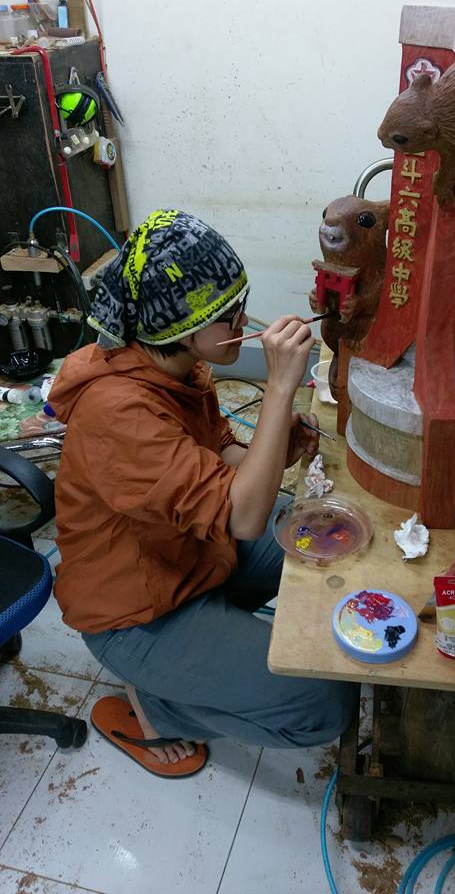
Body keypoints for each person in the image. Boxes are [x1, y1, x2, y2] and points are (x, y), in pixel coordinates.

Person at [50, 209, 357, 777]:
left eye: (241, 304)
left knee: (319, 532)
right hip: (136, 611)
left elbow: (224, 462)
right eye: (227, 315)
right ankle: (159, 708)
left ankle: (210, 642)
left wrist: (278, 445)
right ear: (178, 326)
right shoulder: (118, 412)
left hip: (186, 555)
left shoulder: (180, 370)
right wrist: (279, 390)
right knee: (326, 706)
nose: (244, 321)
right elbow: (242, 518)